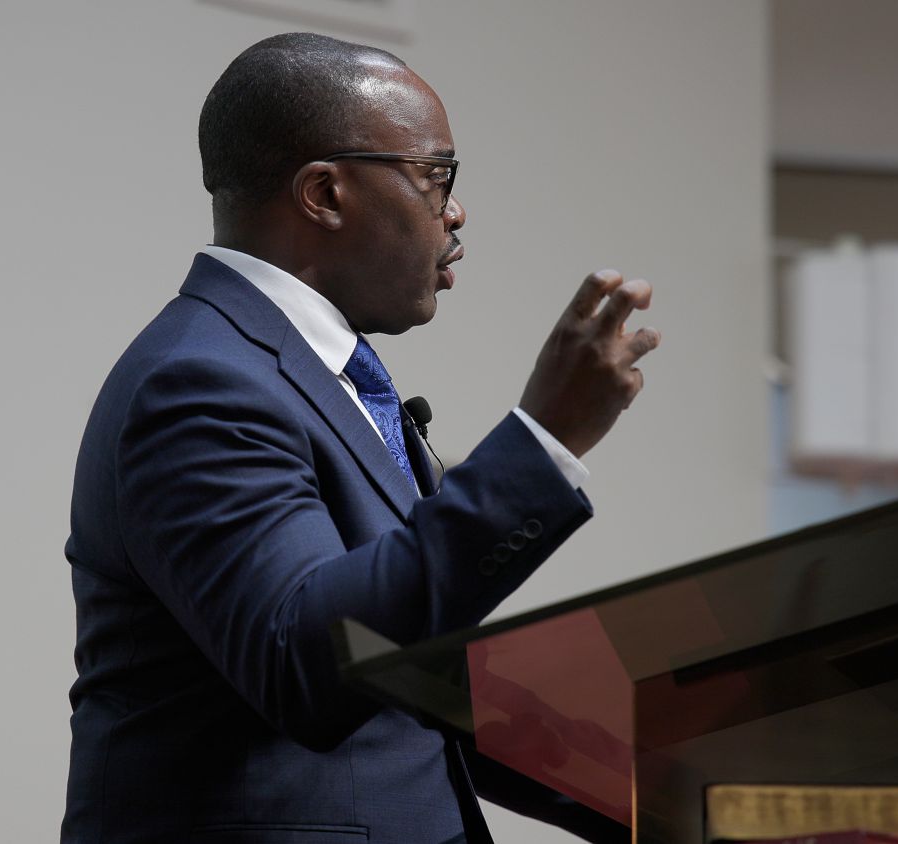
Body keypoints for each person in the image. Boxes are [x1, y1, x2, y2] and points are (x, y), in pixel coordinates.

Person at [62, 32, 659, 844]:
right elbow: (307, 661)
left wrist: (679, 801)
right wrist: (542, 440)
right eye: (434, 176)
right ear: (326, 193)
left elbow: (427, 689)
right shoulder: (200, 382)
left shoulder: (333, 378)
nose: (453, 211)